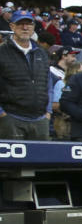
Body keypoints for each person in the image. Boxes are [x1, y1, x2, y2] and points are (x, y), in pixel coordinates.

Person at [0, 10, 53, 140]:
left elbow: (48, 84)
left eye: (28, 24)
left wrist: (48, 111)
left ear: (33, 27)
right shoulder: (2, 52)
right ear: (12, 26)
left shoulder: (42, 53)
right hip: (11, 118)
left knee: (42, 160)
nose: (25, 27)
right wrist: (1, 114)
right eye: (20, 24)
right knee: (11, 161)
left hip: (40, 119)